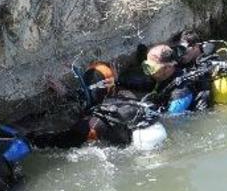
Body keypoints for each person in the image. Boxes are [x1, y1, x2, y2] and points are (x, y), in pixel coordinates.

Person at [27, 62, 166, 150]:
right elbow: (95, 96)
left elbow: (60, 142)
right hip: (153, 133)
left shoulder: (92, 124)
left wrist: (31, 139)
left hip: (134, 148)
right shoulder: (126, 95)